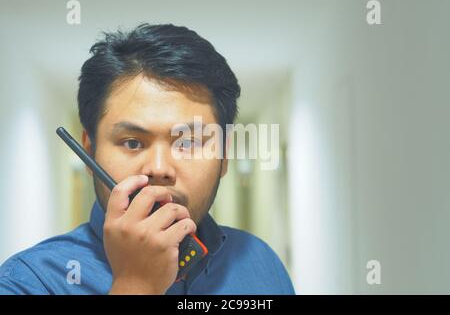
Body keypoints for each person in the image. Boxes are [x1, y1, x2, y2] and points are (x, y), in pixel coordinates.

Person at [0, 23, 295, 295]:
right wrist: (135, 285)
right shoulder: (27, 281)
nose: (159, 169)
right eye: (132, 142)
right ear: (89, 151)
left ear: (224, 156)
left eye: (189, 142)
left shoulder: (261, 263)